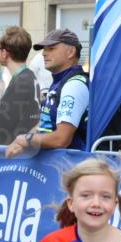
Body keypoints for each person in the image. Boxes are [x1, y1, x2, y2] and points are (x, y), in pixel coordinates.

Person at [6, 29, 88, 157]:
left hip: (71, 168)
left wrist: (26, 140)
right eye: (44, 49)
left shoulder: (73, 85)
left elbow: (61, 139)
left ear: (71, 52)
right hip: (56, 166)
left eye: (51, 48)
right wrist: (26, 140)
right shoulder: (59, 82)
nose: (44, 53)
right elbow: (45, 126)